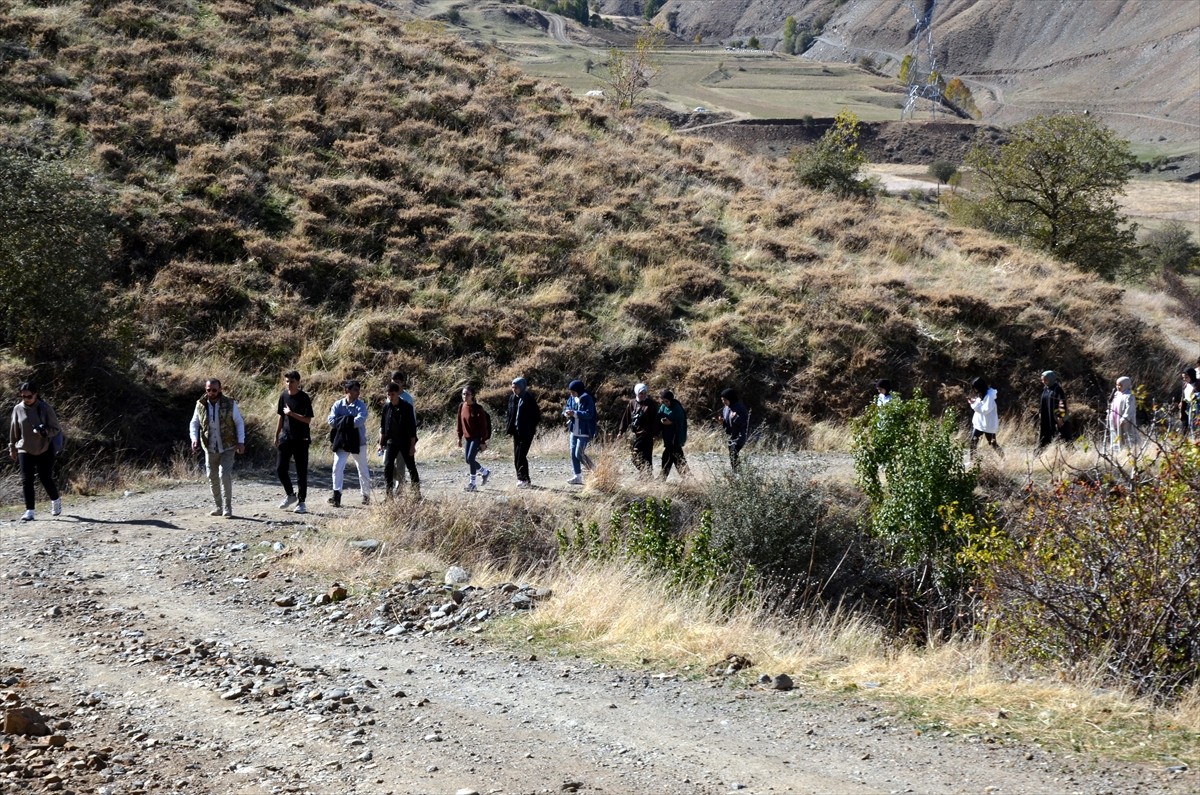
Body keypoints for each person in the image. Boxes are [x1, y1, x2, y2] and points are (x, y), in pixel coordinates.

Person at [189, 378, 245, 517]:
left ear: (220, 389)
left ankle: (228, 507)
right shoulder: (200, 405)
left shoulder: (230, 404)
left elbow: (239, 423)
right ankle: (218, 506)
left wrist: (241, 441)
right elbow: (194, 423)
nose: (211, 393)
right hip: (210, 447)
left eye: (214, 390)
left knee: (224, 475)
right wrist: (194, 439)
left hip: (228, 446)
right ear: (205, 389)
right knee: (212, 477)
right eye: (209, 390)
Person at [8, 382, 62, 521]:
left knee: (45, 478)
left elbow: (56, 429)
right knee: (27, 480)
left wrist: (44, 432)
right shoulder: (18, 409)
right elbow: (14, 430)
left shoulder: (45, 408)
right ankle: (30, 511)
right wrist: (12, 448)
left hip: (44, 448)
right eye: (23, 396)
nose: (26, 399)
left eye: (29, 396)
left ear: (36, 394)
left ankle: (55, 500)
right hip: (24, 448)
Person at [327, 379, 371, 507]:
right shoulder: (337, 404)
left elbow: (360, 421)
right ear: (347, 391)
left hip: (358, 441)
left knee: (362, 468)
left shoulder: (361, 405)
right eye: (355, 390)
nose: (358, 392)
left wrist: (341, 421)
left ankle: (366, 494)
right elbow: (331, 420)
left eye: (358, 390)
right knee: (337, 467)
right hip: (341, 441)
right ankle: (336, 494)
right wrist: (348, 421)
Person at [275, 370, 313, 514]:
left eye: (292, 381)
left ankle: (301, 502)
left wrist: (291, 414)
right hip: (286, 438)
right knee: (280, 468)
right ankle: (290, 495)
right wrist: (277, 434)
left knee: (301, 472)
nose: (289, 384)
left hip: (301, 439)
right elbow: (280, 416)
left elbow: (308, 419)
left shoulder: (304, 398)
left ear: (298, 382)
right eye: (287, 381)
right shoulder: (283, 396)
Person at [379, 381, 420, 497]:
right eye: (388, 394)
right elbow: (383, 427)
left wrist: (412, 446)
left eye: (392, 394)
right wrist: (381, 443)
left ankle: (417, 494)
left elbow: (412, 429)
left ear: (397, 394)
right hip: (391, 442)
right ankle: (389, 495)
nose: (390, 397)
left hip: (405, 442)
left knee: (411, 467)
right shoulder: (387, 407)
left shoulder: (407, 407)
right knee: (388, 467)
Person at [506, 377, 541, 488]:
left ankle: (525, 479)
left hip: (526, 432)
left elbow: (536, 415)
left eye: (516, 387)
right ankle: (520, 478)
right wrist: (509, 425)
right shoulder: (512, 398)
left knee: (521, 456)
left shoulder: (528, 398)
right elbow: (509, 413)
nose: (514, 389)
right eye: (512, 387)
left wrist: (530, 426)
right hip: (516, 431)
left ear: (521, 387)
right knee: (516, 456)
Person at [618, 383, 660, 475]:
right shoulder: (632, 403)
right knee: (635, 456)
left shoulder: (650, 404)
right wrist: (621, 431)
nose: (643, 395)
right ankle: (645, 473)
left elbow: (655, 420)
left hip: (647, 434)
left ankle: (647, 475)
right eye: (641, 393)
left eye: (645, 393)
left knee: (647, 456)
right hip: (636, 434)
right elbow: (626, 417)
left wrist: (656, 434)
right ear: (637, 393)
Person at [457, 385, 491, 491]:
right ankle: (485, 472)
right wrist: (459, 437)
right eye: (463, 394)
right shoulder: (462, 406)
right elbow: (459, 423)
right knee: (468, 460)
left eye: (467, 394)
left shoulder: (478, 408)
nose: (465, 396)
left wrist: (482, 441)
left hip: (476, 437)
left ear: (473, 396)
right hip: (468, 438)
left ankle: (472, 484)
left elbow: (483, 426)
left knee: (471, 459)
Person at [562, 379, 595, 486]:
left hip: (584, 430)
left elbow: (589, 414)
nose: (571, 394)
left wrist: (575, 413)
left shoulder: (587, 399)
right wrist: (567, 413)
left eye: (573, 391)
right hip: (573, 428)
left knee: (579, 453)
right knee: (572, 453)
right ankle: (577, 476)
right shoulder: (572, 398)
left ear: (578, 390)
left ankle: (595, 471)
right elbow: (567, 407)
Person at [967, 377, 1002, 460]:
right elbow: (980, 403)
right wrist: (974, 401)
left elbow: (985, 410)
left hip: (988, 425)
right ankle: (972, 462)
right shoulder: (982, 393)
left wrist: (973, 405)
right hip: (980, 423)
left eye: (975, 388)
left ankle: (1004, 460)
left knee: (993, 444)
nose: (975, 390)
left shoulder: (990, 396)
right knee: (973, 442)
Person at [657, 389, 688, 480]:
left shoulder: (677, 408)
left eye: (666, 401)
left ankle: (662, 477)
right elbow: (659, 416)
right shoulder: (663, 407)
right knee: (676, 458)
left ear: (671, 399)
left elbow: (681, 423)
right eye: (663, 401)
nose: (665, 403)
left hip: (676, 437)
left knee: (668, 456)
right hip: (667, 437)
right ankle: (688, 478)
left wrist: (671, 423)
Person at [1037, 370, 1070, 450]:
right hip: (1047, 417)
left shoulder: (1057, 389)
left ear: (1051, 379)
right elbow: (1043, 402)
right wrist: (1041, 413)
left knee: (1066, 438)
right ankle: (1038, 454)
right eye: (1042, 380)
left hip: (1057, 418)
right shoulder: (1046, 389)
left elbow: (1061, 403)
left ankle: (1072, 455)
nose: (1043, 382)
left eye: (1045, 380)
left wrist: (1060, 417)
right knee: (1044, 437)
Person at [719, 388, 749, 471]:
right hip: (731, 436)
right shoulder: (726, 408)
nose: (723, 402)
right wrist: (722, 422)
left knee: (733, 453)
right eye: (722, 400)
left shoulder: (739, 408)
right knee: (733, 454)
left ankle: (737, 473)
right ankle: (738, 473)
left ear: (730, 398)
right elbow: (727, 426)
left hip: (740, 436)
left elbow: (744, 422)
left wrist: (736, 417)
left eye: (725, 400)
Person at [1109, 375, 1139, 453]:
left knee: (1127, 435)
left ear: (1125, 385)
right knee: (1116, 436)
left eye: (1120, 385)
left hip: (1124, 421)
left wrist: (1124, 418)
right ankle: (1117, 453)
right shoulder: (1116, 394)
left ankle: (1131, 452)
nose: (1118, 387)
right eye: (1117, 385)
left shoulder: (1129, 396)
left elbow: (1129, 409)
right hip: (1115, 418)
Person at [1179, 368, 1197, 440]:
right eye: (1183, 377)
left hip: (1195, 407)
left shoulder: (1198, 384)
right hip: (1186, 405)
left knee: (1194, 424)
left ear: (1191, 376)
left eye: (1186, 377)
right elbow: (1183, 395)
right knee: (1184, 424)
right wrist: (1181, 402)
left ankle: (1195, 440)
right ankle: (1184, 440)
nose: (1184, 379)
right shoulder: (1185, 384)